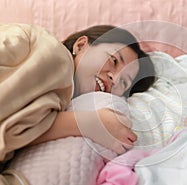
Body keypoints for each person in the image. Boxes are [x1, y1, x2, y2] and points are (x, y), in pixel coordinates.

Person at [0, 23, 155, 184]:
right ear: (81, 45)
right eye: (114, 61)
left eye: (124, 82)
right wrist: (86, 123)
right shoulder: (50, 52)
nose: (114, 79)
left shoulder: (60, 101)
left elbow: (13, 134)